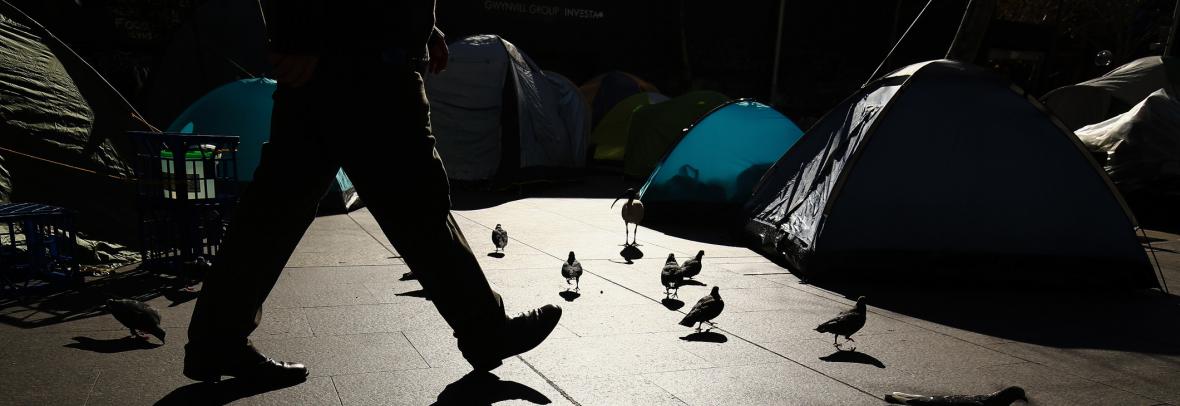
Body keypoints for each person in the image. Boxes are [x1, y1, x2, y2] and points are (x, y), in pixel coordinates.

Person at [183, 1, 562, 383]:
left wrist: (422, 30)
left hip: (348, 59)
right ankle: (486, 332)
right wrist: (295, 34)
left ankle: (215, 342)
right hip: (364, 68)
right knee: (417, 207)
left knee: (277, 209)